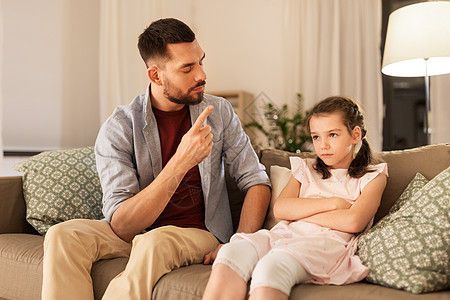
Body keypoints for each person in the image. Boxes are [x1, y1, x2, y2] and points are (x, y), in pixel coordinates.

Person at [41, 18, 271, 300]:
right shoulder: (121, 126)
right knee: (63, 235)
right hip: (138, 231)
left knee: (154, 242)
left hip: (199, 233)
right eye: (187, 68)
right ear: (155, 76)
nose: (202, 74)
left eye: (200, 61)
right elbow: (122, 225)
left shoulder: (219, 112)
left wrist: (239, 245)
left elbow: (256, 180)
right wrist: (181, 162)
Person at [203, 96, 388, 300]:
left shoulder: (373, 176)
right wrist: (333, 204)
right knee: (231, 251)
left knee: (272, 265)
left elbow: (353, 221)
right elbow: (281, 209)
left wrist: (300, 213)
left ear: (355, 134)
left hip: (326, 245)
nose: (323, 145)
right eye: (316, 137)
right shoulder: (306, 168)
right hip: (286, 234)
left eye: (332, 135)